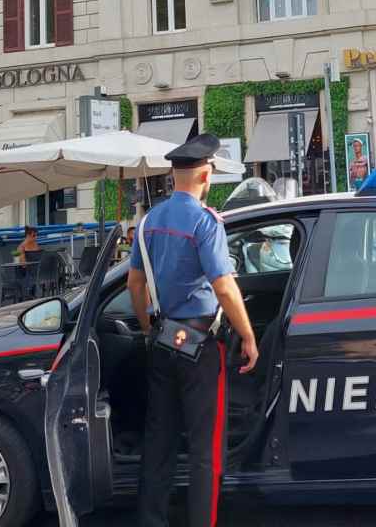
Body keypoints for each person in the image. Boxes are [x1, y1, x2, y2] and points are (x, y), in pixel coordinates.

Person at [128, 133, 260, 527]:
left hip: (164, 339)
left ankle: (151, 520)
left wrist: (148, 325)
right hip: (201, 346)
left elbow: (136, 284)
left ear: (173, 176)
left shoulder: (149, 222)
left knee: (159, 441)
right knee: (205, 449)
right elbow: (224, 286)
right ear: (206, 175)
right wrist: (249, 337)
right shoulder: (205, 223)